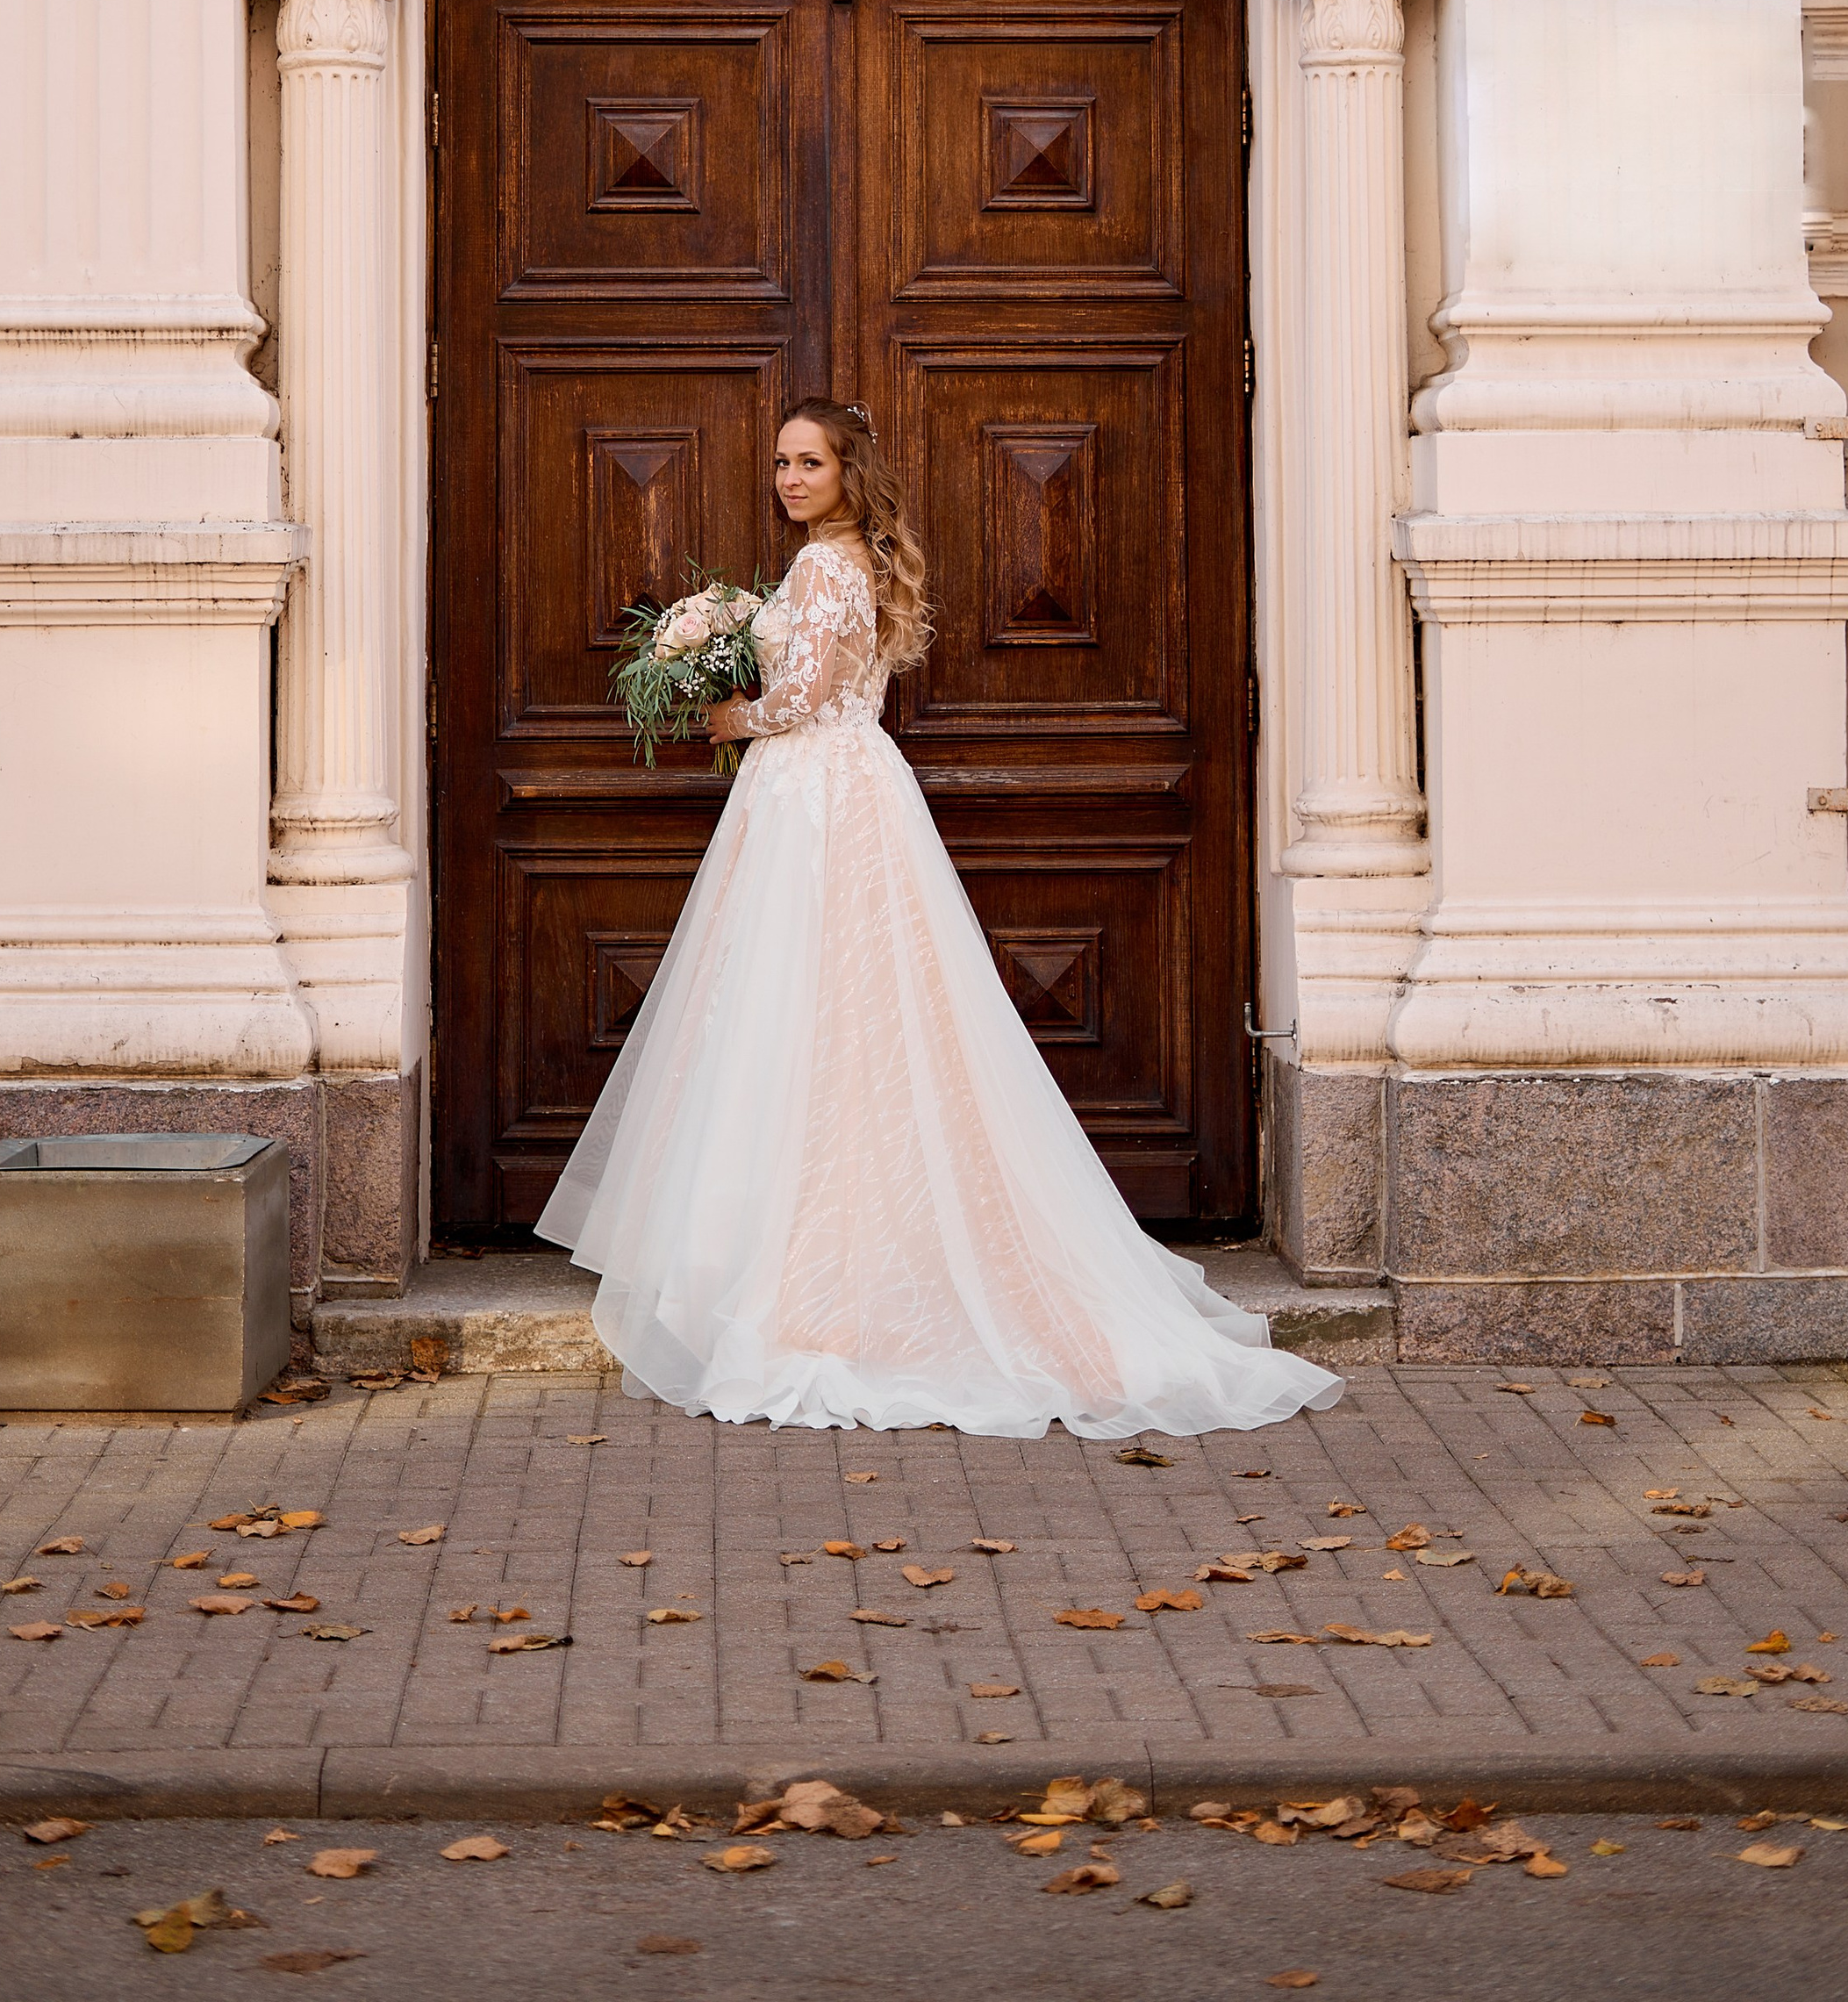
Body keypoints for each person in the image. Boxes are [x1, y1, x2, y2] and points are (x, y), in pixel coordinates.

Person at [539, 400, 1341, 1437]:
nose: (788, 478)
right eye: (780, 461)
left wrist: (722, 712)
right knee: (847, 1016)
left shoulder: (829, 567)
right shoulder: (839, 560)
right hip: (836, 791)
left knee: (808, 1011)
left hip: (816, 794)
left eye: (809, 462)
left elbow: (805, 696)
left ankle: (802, 1265)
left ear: (847, 470)